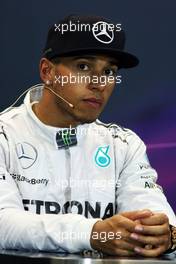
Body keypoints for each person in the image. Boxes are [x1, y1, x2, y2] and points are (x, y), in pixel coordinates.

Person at [0, 14, 175, 257]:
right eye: (83, 66)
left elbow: (158, 216)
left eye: (109, 71)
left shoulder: (124, 145)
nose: (99, 83)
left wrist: (165, 234)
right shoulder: (4, 136)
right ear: (47, 71)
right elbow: (3, 224)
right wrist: (93, 233)